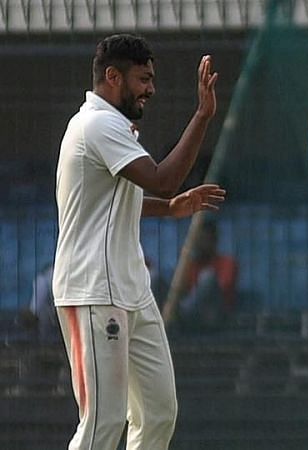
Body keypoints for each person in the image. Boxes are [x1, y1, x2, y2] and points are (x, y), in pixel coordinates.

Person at [53, 34, 225, 450]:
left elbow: (109, 201)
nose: (150, 89)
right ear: (113, 76)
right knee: (104, 423)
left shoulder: (112, 126)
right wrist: (203, 115)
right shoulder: (97, 124)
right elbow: (164, 180)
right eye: (143, 79)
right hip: (93, 290)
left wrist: (169, 210)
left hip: (131, 290)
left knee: (158, 412)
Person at [175, 219, 238, 330]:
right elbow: (183, 292)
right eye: (197, 240)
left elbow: (222, 288)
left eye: (204, 239)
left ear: (213, 240)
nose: (200, 243)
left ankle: (183, 314)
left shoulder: (227, 263)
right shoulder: (192, 265)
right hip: (196, 317)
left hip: (217, 316)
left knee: (207, 277)